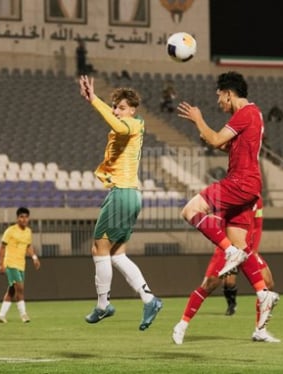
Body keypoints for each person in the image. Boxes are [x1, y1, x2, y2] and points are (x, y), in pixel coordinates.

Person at [176, 71, 277, 336]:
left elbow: (216, 138)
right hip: (248, 186)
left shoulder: (244, 113)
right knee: (243, 248)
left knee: (190, 210)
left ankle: (227, 251)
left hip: (240, 182)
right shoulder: (253, 114)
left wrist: (199, 121)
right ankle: (262, 298)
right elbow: (231, 147)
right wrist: (215, 142)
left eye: (219, 95)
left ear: (229, 93)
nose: (218, 101)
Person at [78, 74, 163, 330]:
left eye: (122, 107)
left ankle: (103, 305)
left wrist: (94, 100)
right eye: (115, 106)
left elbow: (119, 127)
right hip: (129, 194)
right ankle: (149, 298)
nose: (117, 111)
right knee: (117, 253)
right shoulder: (128, 125)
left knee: (99, 250)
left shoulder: (134, 124)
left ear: (133, 110)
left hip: (122, 193)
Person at [172, 197, 281, 345]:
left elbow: (257, 225)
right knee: (208, 286)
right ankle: (182, 325)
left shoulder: (257, 199)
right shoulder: (230, 195)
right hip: (228, 250)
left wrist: (254, 251)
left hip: (247, 250)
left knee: (268, 283)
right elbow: (217, 223)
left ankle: (260, 331)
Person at [0, 207, 41, 323]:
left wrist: (34, 257)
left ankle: (1, 315)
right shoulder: (10, 231)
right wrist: (1, 264)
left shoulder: (28, 232)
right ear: (17, 218)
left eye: (26, 217)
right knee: (20, 288)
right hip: (11, 263)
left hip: (21, 264)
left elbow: (29, 246)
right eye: (21, 217)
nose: (24, 219)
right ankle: (23, 314)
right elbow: (2, 247)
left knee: (12, 290)